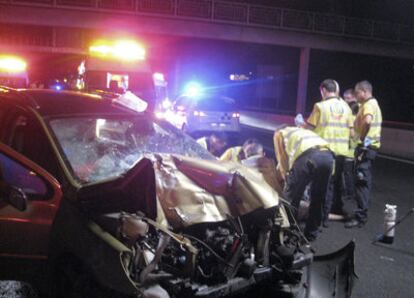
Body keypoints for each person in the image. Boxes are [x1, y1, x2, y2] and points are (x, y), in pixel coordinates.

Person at [305, 79, 354, 227]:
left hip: (324, 151)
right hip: (341, 153)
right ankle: (327, 215)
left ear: (323, 90)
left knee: (321, 186)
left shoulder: (320, 106)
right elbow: (351, 132)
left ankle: (319, 218)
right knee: (332, 184)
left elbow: (309, 128)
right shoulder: (346, 107)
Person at [274, 126, 334, 241]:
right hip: (328, 157)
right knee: (318, 198)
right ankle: (312, 233)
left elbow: (282, 159)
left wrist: (286, 177)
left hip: (308, 156)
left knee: (290, 198)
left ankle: (288, 231)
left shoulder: (279, 133)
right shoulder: (303, 131)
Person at [345, 80, 382, 228]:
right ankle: (361, 212)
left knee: (361, 183)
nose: (356, 95)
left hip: (366, 149)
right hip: (368, 149)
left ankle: (361, 217)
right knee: (363, 182)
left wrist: (362, 138)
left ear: (364, 91)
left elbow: (367, 121)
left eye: (357, 92)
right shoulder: (371, 104)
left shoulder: (369, 105)